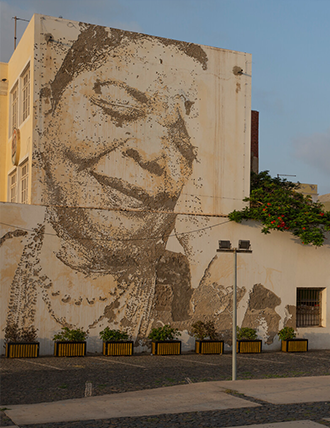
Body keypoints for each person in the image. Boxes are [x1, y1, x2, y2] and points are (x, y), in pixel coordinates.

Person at [4, 24, 208, 340]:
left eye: (181, 138)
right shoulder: (9, 252)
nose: (152, 153)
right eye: (119, 104)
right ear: (48, 110)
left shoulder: (192, 281)